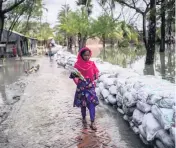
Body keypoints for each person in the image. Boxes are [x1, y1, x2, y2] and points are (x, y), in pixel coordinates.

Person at [69, 47, 99, 130]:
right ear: (81, 55)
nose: (87, 57)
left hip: (90, 87)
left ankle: (92, 122)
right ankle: (84, 118)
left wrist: (95, 76)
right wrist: (77, 80)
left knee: (91, 103)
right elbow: (73, 76)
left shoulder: (92, 63)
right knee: (83, 104)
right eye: (85, 55)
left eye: (88, 55)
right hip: (81, 87)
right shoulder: (77, 65)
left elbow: (96, 72)